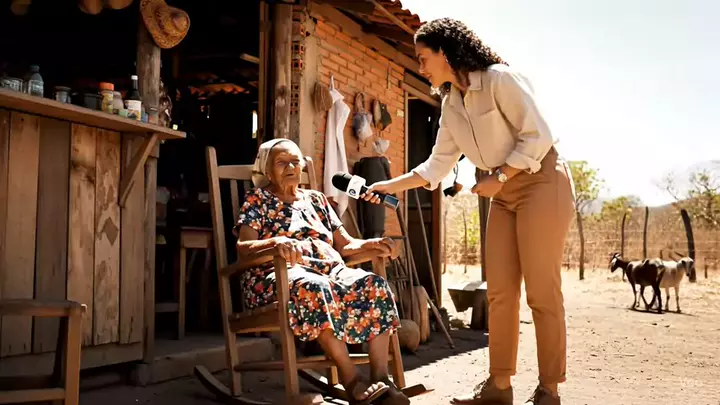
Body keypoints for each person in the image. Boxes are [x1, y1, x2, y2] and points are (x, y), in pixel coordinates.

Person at [362, 18, 576, 405]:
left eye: (424, 58)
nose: (421, 67)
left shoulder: (499, 80)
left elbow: (539, 136)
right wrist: (388, 185)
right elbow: (436, 165)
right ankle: (499, 386)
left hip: (542, 181)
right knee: (500, 292)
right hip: (503, 192)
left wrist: (502, 174)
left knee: (541, 290)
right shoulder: (451, 103)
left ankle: (549, 389)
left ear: (445, 53)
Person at [235, 138, 410, 405]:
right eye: (282, 163)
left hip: (331, 274)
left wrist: (373, 244)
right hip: (279, 276)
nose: (291, 167)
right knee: (314, 286)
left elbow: (346, 244)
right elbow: (243, 247)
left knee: (374, 283)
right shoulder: (257, 199)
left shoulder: (317, 200)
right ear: (267, 170)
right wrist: (275, 243)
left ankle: (381, 379)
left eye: (295, 161)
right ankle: (352, 379)